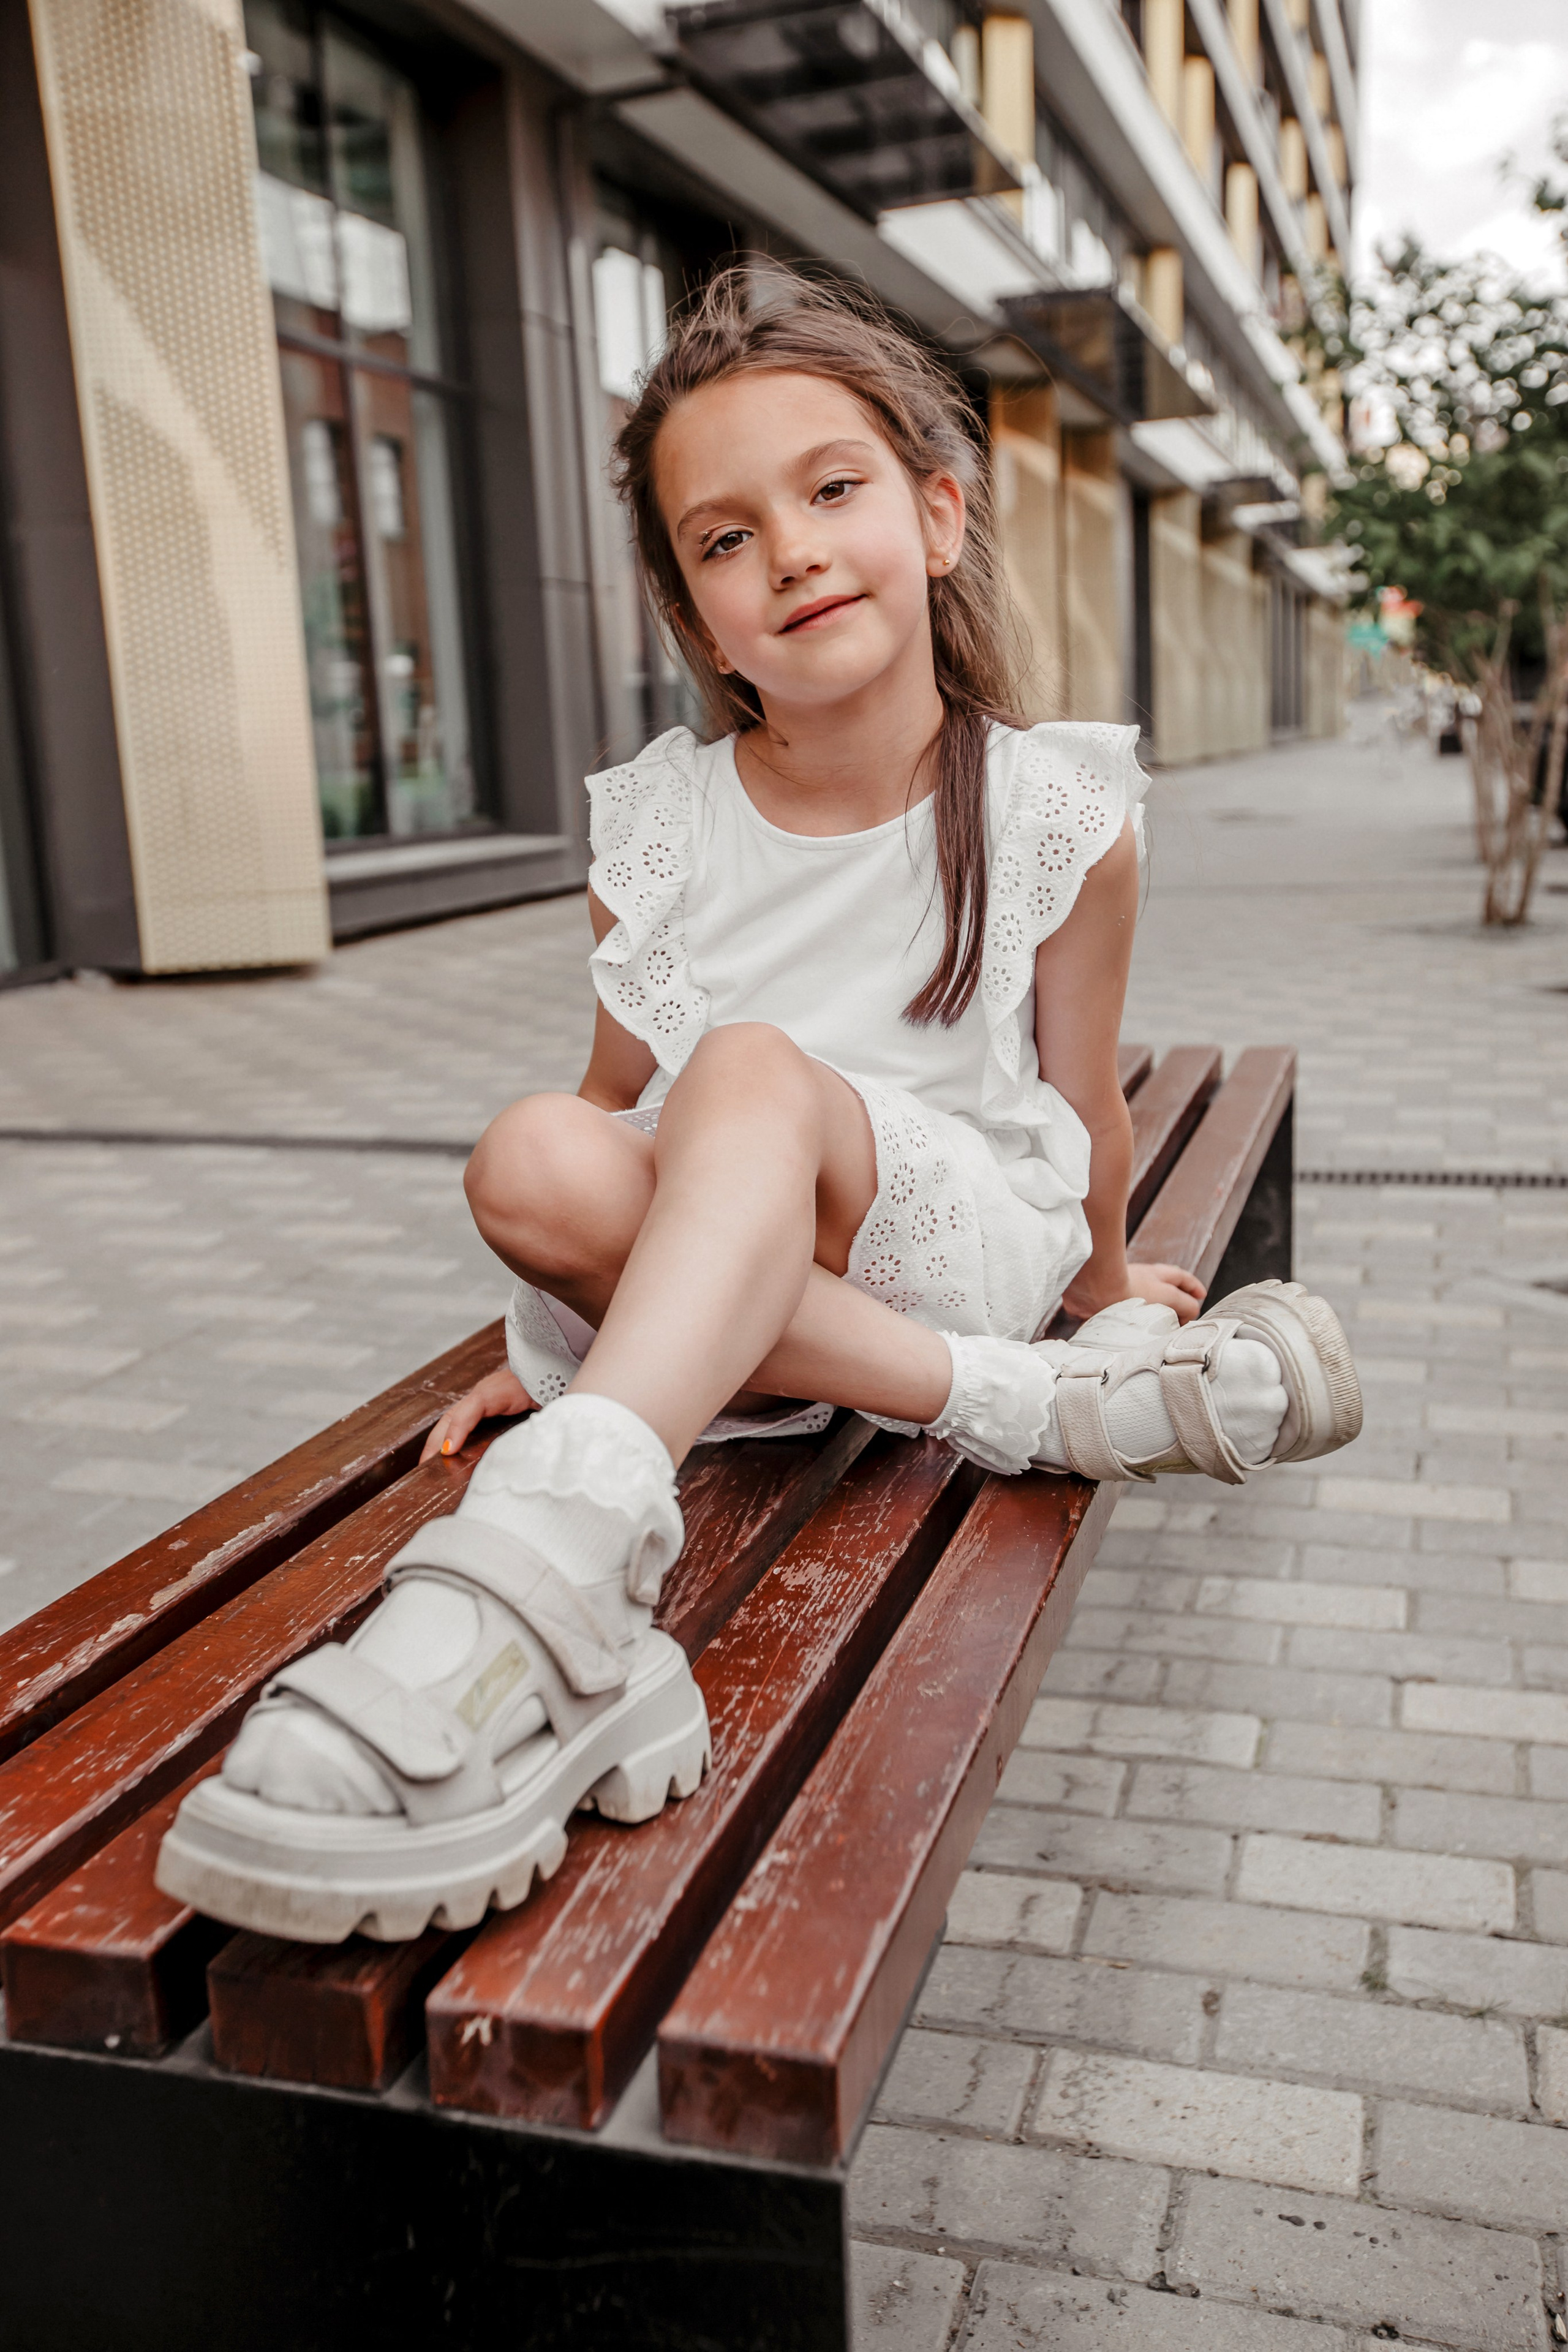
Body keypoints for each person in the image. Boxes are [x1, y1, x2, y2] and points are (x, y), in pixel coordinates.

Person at [157, 268, 1361, 1943]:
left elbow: (1082, 1090)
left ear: (939, 518)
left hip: (950, 1226)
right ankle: (963, 1408)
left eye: (832, 489)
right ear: (695, 618)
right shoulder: (661, 828)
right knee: (527, 1153)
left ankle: (560, 1561)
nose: (786, 550)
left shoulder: (1047, 808)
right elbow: (600, 1115)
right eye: (723, 539)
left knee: (745, 1069)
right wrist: (570, 1336)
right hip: (758, 1257)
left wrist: (1102, 1279)